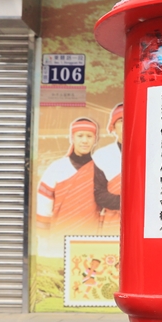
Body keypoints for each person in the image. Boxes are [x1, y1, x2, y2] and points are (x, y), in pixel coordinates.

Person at [36, 117, 117, 242]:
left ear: (95, 140)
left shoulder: (101, 167)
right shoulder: (57, 167)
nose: (85, 140)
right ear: (72, 138)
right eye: (80, 136)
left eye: (89, 136)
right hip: (60, 235)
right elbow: (44, 203)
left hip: (91, 235)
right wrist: (43, 239)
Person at [92, 102, 122, 232]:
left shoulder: (155, 153)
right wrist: (130, 203)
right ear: (113, 127)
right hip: (113, 221)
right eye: (121, 120)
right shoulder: (102, 156)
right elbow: (98, 193)